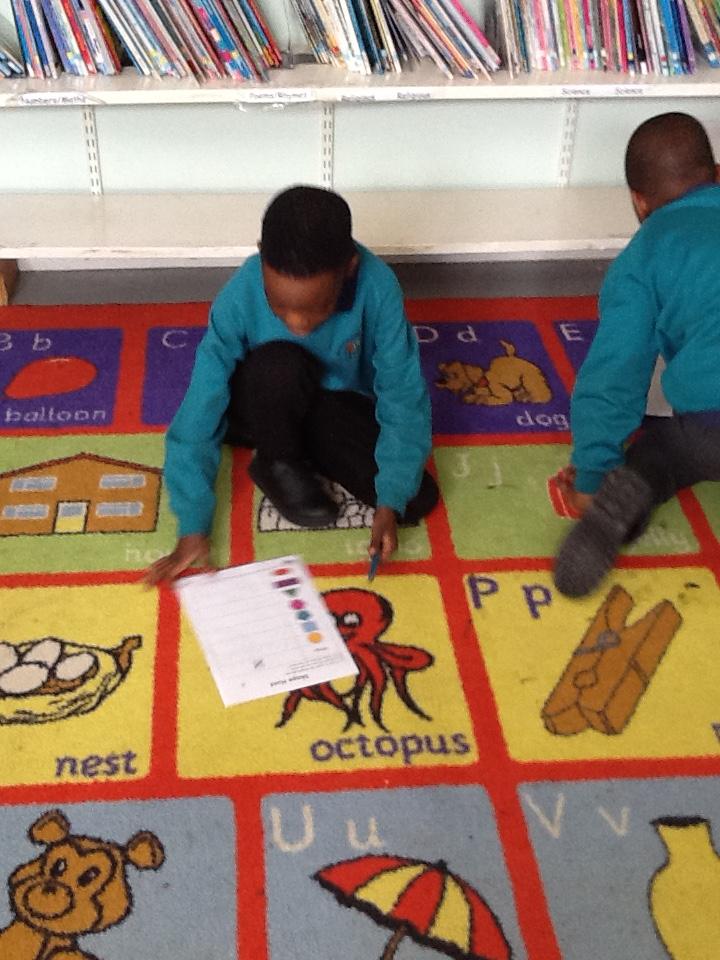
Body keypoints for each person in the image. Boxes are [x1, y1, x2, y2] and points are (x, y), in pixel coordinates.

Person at [145, 185, 438, 586]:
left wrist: (389, 500)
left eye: (317, 308)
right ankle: (277, 458)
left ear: (349, 268)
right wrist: (193, 524)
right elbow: (201, 403)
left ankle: (299, 444)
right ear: (262, 257)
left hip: (331, 403)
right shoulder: (241, 292)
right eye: (279, 307)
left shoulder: (378, 287)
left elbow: (402, 393)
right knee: (279, 365)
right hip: (260, 398)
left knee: (414, 498)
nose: (298, 324)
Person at [553, 112, 720, 598]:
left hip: (709, 427)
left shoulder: (644, 256)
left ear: (639, 201)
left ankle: (616, 503)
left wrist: (592, 472)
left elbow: (615, 376)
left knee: (660, 455)